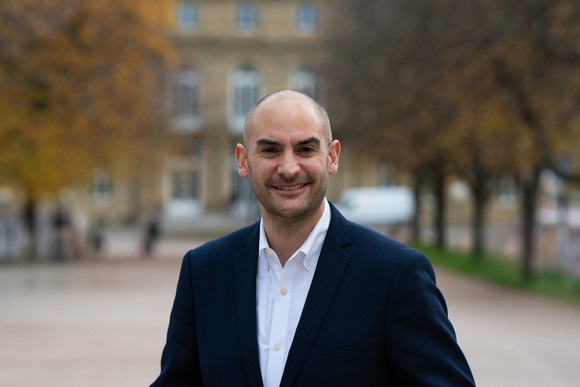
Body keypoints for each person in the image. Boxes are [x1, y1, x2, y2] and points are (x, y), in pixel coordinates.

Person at [151, 90, 475, 386]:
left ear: (332, 157)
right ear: (242, 160)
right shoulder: (204, 271)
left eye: (306, 148)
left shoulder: (395, 274)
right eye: (270, 150)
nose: (289, 168)